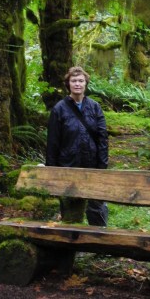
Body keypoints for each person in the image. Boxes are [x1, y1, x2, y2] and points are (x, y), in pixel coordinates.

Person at [46, 66, 109, 226]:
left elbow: (102, 138)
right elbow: (53, 141)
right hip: (68, 164)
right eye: (74, 81)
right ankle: (71, 240)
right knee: (71, 207)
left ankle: (99, 239)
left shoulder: (95, 107)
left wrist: (102, 164)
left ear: (86, 83)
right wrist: (51, 169)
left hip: (92, 164)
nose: (77, 84)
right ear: (68, 84)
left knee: (96, 205)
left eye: (81, 81)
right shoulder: (59, 109)